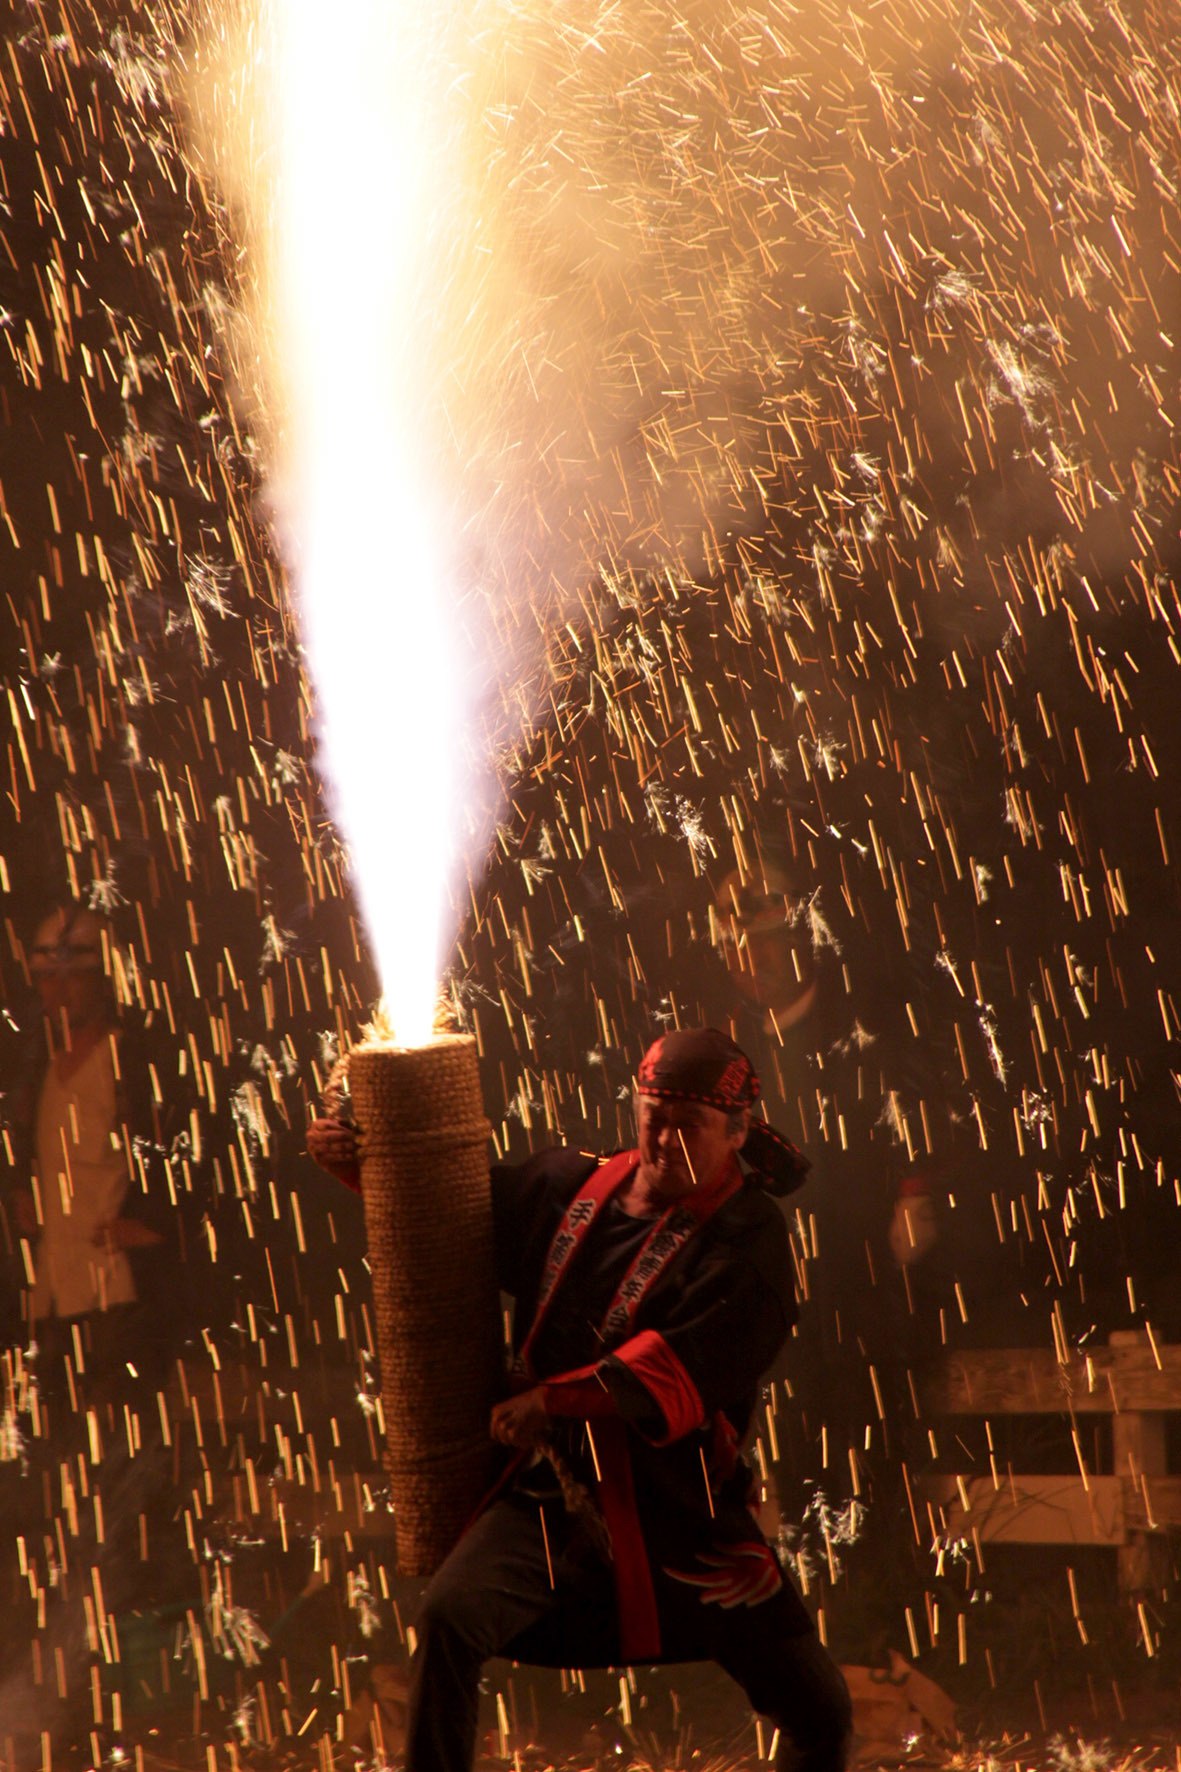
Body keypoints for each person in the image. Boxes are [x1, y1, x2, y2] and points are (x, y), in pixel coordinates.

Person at [308, 1025, 853, 1772]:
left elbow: (693, 1359)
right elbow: (444, 1222)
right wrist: (361, 1168)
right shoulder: (567, 1183)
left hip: (678, 1506)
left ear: (735, 1134)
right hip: (547, 1489)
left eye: (685, 1126)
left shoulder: (747, 1234)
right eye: (650, 1119)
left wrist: (555, 1401)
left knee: (818, 1708)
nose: (662, 1141)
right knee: (447, 1619)